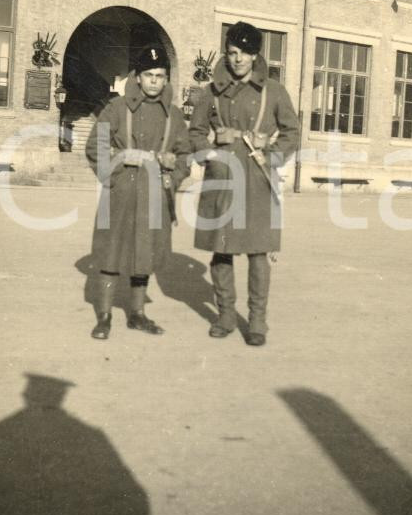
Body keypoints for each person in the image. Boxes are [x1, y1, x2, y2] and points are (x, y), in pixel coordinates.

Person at [189, 21, 300, 347]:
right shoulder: (211, 92)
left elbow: (292, 131)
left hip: (256, 178)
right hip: (221, 179)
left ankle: (257, 321)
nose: (237, 59)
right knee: (221, 252)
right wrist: (207, 153)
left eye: (244, 53)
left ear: (255, 55)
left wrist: (274, 156)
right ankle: (224, 315)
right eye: (232, 52)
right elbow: (194, 130)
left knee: (257, 253)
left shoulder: (274, 91)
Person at [86, 44, 190, 339]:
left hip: (155, 194)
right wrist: (118, 163)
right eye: (149, 74)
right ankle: (104, 316)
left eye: (160, 75)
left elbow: (184, 156)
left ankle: (137, 314)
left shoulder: (175, 116)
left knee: (145, 253)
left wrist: (173, 173)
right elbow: (95, 145)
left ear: (166, 79)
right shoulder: (116, 109)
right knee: (111, 251)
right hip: (120, 191)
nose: (154, 81)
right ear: (137, 77)